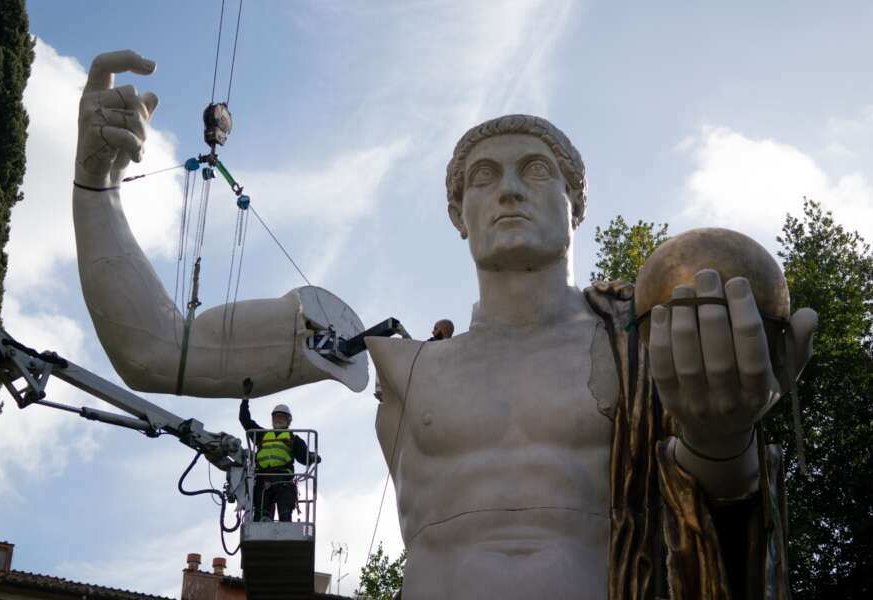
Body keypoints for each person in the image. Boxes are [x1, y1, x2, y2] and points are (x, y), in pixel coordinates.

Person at [69, 51, 819, 599]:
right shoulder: (394, 361)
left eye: (537, 170)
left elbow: (722, 530)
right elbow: (156, 351)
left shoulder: (651, 349)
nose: (510, 191)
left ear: (575, 203)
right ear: (459, 215)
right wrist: (96, 182)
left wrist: (726, 446)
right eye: (483, 179)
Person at [239, 400, 321, 522]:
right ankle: (262, 524)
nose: (278, 419)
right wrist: (245, 400)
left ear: (288, 420)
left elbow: (303, 456)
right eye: (276, 416)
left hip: (283, 478)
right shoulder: (261, 434)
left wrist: (312, 457)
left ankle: (285, 525)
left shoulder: (293, 438)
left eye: (282, 417)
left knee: (285, 513)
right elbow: (245, 420)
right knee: (261, 513)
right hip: (263, 478)